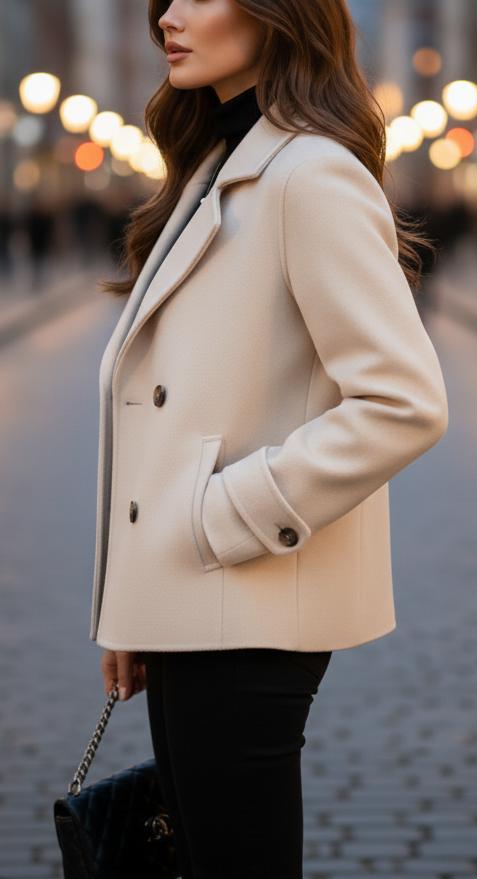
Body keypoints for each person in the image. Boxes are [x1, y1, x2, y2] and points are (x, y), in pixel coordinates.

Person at [93, 1, 448, 876]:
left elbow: (402, 400)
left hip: (245, 593)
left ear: (277, 13)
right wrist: (137, 600)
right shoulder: (218, 164)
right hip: (194, 595)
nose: (168, 17)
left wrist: (223, 518)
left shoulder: (310, 174)